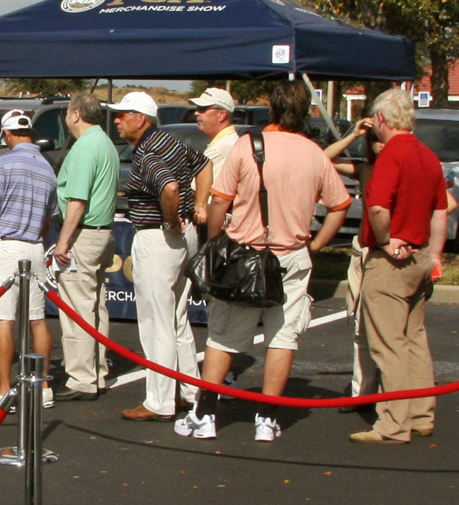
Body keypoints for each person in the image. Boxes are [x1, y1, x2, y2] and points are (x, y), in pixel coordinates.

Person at [185, 79, 351, 443]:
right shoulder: (313, 152)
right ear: (305, 111)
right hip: (290, 256)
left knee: (223, 336)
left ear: (271, 108)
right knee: (282, 337)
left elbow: (219, 201)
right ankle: (267, 417)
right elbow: (340, 204)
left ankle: (206, 415)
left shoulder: (247, 146)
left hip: (245, 255)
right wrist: (317, 244)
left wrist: (215, 242)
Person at [346, 88, 447, 445]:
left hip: (391, 261)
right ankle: (421, 414)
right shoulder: (429, 156)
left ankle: (393, 423)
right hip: (420, 255)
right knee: (414, 338)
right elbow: (441, 209)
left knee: (388, 345)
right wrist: (434, 253)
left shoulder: (391, 157)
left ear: (382, 120)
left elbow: (377, 209)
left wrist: (386, 241)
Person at [112, 91, 199, 423]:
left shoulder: (147, 153)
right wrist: (199, 206)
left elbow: (170, 188)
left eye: (124, 114)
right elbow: (204, 166)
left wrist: (168, 218)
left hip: (158, 238)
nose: (118, 120)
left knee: (156, 324)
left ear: (142, 119)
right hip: (182, 234)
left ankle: (161, 401)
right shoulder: (170, 141)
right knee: (176, 319)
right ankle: (192, 391)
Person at [0, 108, 57, 413]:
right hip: (35, 246)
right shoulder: (47, 167)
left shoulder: (1, 163)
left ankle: (5, 389)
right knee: (37, 318)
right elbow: (49, 218)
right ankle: (44, 387)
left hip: (7, 247)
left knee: (4, 320)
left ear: (7, 134)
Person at [49, 90, 119, 401]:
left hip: (84, 235)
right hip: (103, 233)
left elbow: (77, 200)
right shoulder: (105, 143)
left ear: (76, 114)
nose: (66, 119)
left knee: (77, 308)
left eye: (67, 113)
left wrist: (62, 241)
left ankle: (81, 379)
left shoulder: (84, 148)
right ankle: (96, 371)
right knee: (94, 305)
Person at [187, 85, 239, 228]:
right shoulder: (227, 141)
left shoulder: (222, 147)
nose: (197, 113)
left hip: (215, 225)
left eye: (203, 109)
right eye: (197, 108)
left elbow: (193, 189)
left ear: (222, 115)